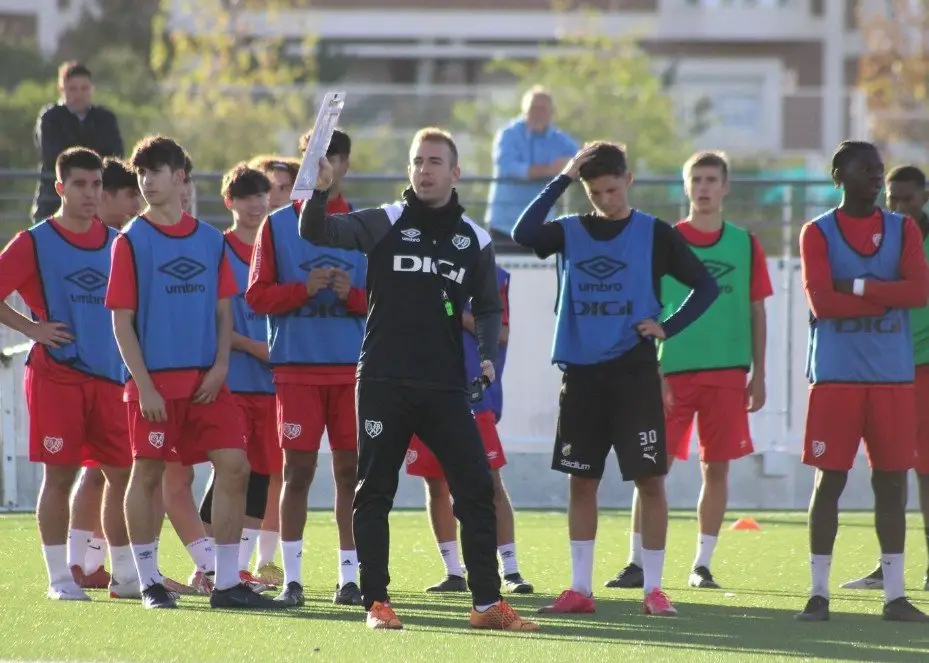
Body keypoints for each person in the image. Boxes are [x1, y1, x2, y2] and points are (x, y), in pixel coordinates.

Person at [299, 126, 539, 631]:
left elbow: (489, 306)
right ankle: (377, 603)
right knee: (375, 490)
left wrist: (488, 353)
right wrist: (320, 191)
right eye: (416, 161)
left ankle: (486, 604)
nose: (424, 170)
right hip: (384, 380)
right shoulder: (385, 221)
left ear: (455, 172)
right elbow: (316, 232)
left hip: (445, 385)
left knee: (475, 488)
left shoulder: (473, 238)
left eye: (434, 162)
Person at [511, 142, 719, 617]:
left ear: (628, 180)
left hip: (633, 373)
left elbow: (706, 285)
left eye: (611, 188)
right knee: (582, 482)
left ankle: (654, 590)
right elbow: (524, 232)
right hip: (582, 375)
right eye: (595, 192)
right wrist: (563, 176)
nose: (606, 199)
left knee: (650, 480)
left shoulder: (654, 234)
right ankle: (580, 589)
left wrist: (667, 326)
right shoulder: (570, 231)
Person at [105, 135, 279, 610]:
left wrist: (221, 366)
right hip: (154, 385)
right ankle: (149, 582)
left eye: (154, 172)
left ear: (180, 177)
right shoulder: (131, 241)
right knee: (147, 476)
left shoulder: (208, 239)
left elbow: (224, 312)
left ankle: (225, 583)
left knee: (235, 467)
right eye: (140, 174)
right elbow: (120, 320)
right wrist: (143, 386)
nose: (145, 182)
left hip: (207, 382)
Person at [607, 151, 773, 591]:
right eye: (695, 179)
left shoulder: (745, 242)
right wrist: (653, 370)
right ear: (685, 186)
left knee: (715, 469)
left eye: (711, 179)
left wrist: (759, 373)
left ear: (725, 186)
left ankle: (701, 564)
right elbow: (647, 307)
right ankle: (636, 562)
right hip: (670, 372)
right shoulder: (664, 239)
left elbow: (756, 311)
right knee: (650, 470)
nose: (703, 187)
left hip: (728, 374)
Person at [796, 141, 929, 623]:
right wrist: (884, 296)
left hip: (892, 378)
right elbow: (821, 304)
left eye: (878, 168)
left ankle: (894, 596)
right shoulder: (817, 232)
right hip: (836, 377)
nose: (875, 176)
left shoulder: (903, 228)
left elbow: (918, 291)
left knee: (892, 484)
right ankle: (818, 593)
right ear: (838, 174)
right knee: (829, 480)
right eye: (864, 168)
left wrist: (855, 286)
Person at [0, 147, 135, 600]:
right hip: (57, 377)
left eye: (97, 184)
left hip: (112, 379)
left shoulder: (119, 242)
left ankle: (128, 575)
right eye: (79, 184)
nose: (90, 193)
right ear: (60, 188)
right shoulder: (34, 241)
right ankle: (60, 578)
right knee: (59, 476)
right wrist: (32, 328)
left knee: (125, 475)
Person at [246, 129, 365, 607]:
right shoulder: (276, 226)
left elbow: (385, 303)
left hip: (352, 370)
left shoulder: (363, 224)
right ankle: (292, 579)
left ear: (346, 164)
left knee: (351, 473)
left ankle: (350, 577)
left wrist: (349, 295)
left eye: (333, 156)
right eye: (317, 156)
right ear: (304, 162)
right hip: (296, 369)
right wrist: (303, 288)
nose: (326, 165)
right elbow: (256, 297)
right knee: (296, 472)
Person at [405, 264, 534, 594]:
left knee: (490, 482)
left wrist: (453, 313)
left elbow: (500, 333)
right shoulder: (409, 267)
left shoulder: (490, 273)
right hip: (424, 390)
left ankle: (511, 570)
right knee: (436, 483)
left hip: (472, 396)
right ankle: (453, 571)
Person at [842, 165, 929, 593]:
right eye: (893, 198)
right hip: (887, 368)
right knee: (889, 469)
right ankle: (889, 568)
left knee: (926, 471)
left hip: (924, 367)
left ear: (925, 197)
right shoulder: (882, 238)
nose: (900, 207)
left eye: (908, 198)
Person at [197, 163, 277, 594]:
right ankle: (208, 566)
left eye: (261, 195)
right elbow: (214, 315)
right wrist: (249, 347)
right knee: (231, 470)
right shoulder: (217, 248)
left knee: (262, 472)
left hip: (272, 383)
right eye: (246, 196)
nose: (256, 204)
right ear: (229, 202)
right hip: (231, 379)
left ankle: (237, 568)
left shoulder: (277, 246)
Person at [33, 62, 123, 222]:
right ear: (61, 89)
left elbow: (116, 155)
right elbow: (52, 157)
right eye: (72, 89)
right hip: (55, 200)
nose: (79, 94)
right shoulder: (50, 118)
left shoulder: (105, 118)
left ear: (92, 88)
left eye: (84, 88)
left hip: (97, 200)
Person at [485, 86, 578, 243]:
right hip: (504, 226)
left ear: (552, 112)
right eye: (533, 108)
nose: (538, 113)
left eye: (542, 109)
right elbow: (508, 167)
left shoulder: (562, 140)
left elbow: (580, 162)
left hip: (542, 224)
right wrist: (552, 169)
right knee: (499, 268)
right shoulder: (507, 135)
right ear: (523, 110)